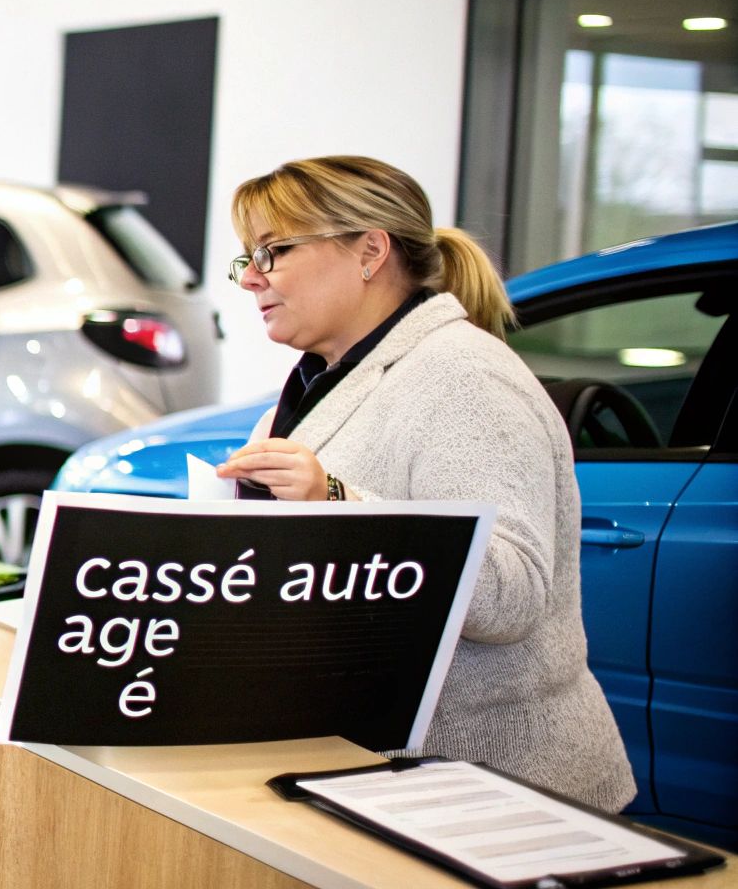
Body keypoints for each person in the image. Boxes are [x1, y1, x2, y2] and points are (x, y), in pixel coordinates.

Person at [214, 155, 636, 813]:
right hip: (382, 775)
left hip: (501, 793)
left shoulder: (464, 377)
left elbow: (510, 594)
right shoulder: (318, 384)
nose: (251, 279)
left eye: (273, 252)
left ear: (369, 251)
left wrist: (337, 501)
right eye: (246, 258)